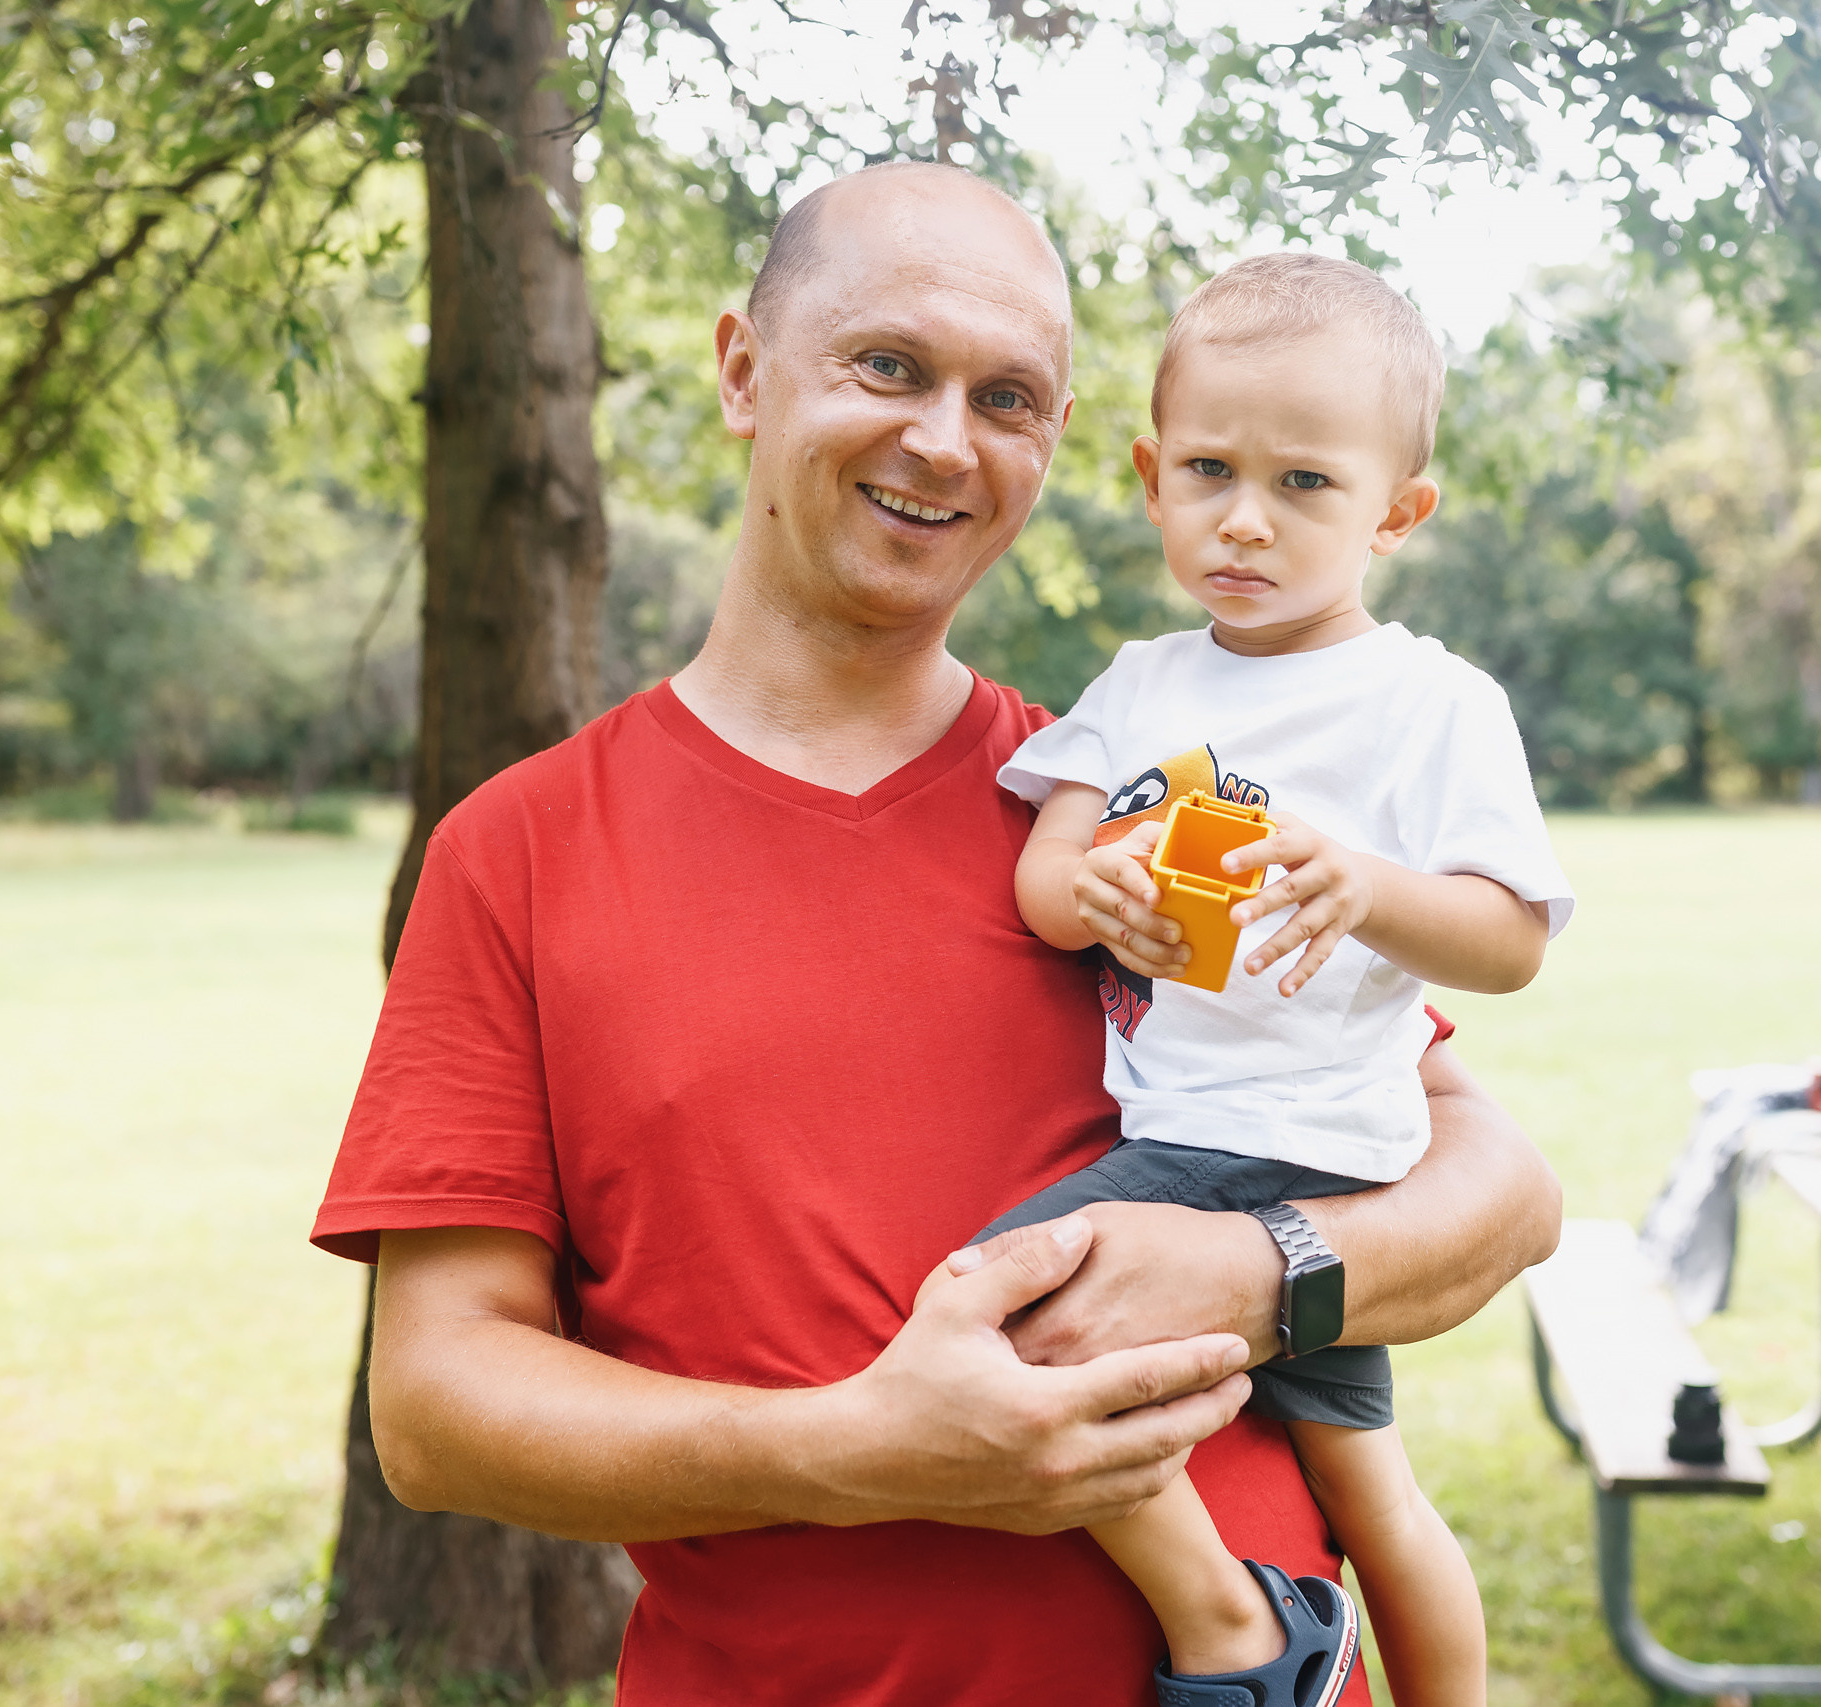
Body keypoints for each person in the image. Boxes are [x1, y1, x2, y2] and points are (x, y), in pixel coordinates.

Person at [311, 161, 1562, 1707]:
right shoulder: (521, 851)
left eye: (1010, 398)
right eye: (886, 366)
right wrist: (851, 1453)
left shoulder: (1142, 807)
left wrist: (1258, 1272)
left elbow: (1500, 1192)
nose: (942, 441)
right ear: (742, 372)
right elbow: (436, 1412)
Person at [977, 253, 1574, 1707]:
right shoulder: (1144, 688)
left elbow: (1509, 942)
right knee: (1372, 1493)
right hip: (1204, 1134)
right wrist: (1093, 890)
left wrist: (1368, 891)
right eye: (1210, 470)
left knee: (998, 1326)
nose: (1245, 518)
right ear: (1149, 475)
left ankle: (1234, 1630)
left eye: (1306, 483)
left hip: (1300, 1147)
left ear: (1398, 512)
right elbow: (1044, 878)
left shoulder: (1430, 703)